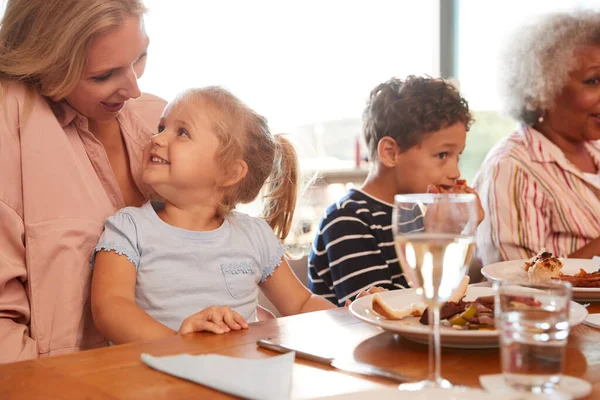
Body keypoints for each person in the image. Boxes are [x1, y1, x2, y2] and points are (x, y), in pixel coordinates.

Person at [90, 87, 342, 344]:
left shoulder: (255, 236)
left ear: (230, 173)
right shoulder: (128, 228)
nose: (157, 138)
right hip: (158, 377)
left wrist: (356, 318)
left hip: (237, 376)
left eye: (182, 132)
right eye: (161, 127)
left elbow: (301, 304)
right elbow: (110, 308)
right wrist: (177, 343)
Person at [0, 0, 167, 362]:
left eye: (140, 57)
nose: (134, 90)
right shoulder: (10, 123)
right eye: (104, 76)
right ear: (42, 63)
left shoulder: (161, 118)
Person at [308, 76, 483, 306]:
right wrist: (437, 237)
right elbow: (384, 313)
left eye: (457, 156)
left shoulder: (418, 214)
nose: (455, 172)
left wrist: (459, 232)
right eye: (442, 155)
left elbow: (448, 303)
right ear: (391, 153)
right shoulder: (347, 220)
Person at [474, 11, 600, 264]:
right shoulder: (511, 168)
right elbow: (517, 282)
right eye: (593, 80)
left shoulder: (594, 148)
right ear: (544, 86)